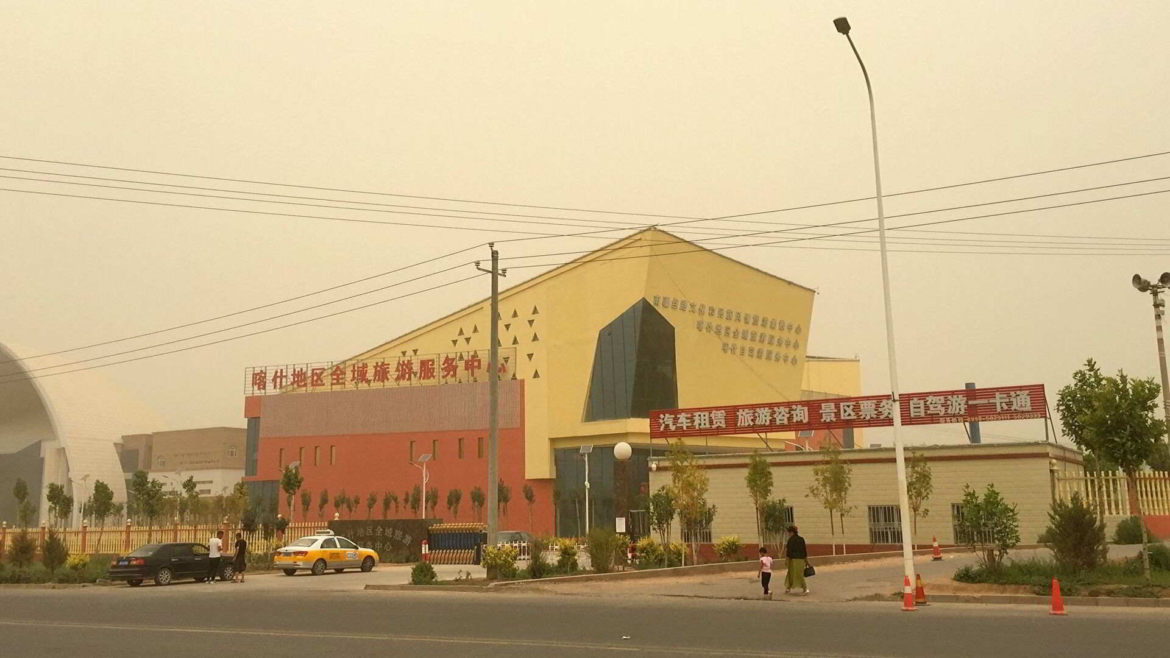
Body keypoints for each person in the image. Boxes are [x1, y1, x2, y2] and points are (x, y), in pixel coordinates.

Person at [783, 525, 809, 595]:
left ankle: (805, 588)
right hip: (801, 560)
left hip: (793, 560)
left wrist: (787, 560)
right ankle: (788, 587)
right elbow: (804, 550)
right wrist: (806, 559)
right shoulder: (801, 539)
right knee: (799, 573)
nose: (788, 534)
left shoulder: (791, 540)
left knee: (791, 573)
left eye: (789, 532)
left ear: (792, 532)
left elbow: (789, 551)